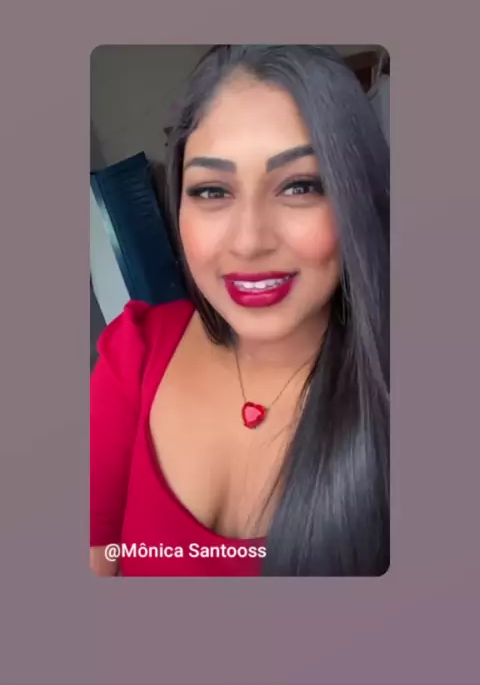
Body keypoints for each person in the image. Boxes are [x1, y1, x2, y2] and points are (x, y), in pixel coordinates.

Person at [90, 44, 390, 577]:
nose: (249, 242)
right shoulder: (134, 352)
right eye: (211, 191)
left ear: (357, 197)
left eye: (300, 185)